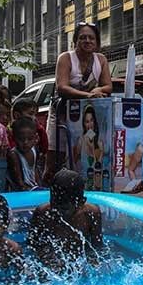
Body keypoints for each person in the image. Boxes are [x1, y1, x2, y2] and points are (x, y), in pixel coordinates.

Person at [45, 22, 113, 182]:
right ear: (75, 41)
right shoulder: (66, 58)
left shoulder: (101, 59)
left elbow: (108, 86)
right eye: (82, 38)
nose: (87, 41)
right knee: (56, 156)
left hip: (85, 116)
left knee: (83, 153)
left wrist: (99, 90)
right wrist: (88, 95)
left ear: (96, 42)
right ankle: (51, 186)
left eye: (91, 38)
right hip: (62, 113)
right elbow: (62, 87)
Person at [27, 169, 103, 272]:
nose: (56, 211)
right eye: (53, 204)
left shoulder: (91, 214)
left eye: (64, 209)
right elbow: (33, 245)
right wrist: (48, 260)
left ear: (81, 202)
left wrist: (92, 266)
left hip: (80, 264)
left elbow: (97, 247)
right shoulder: (43, 213)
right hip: (53, 265)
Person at [7, 117, 41, 191]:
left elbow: (35, 170)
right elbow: (18, 181)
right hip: (21, 191)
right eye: (21, 139)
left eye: (30, 139)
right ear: (14, 138)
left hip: (34, 188)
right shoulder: (14, 155)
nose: (25, 142)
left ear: (35, 138)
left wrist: (40, 186)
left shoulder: (34, 150)